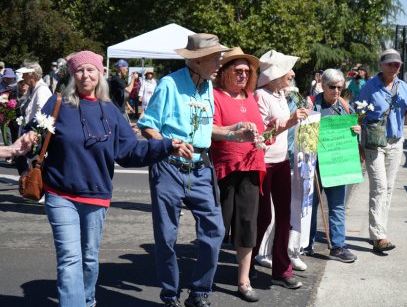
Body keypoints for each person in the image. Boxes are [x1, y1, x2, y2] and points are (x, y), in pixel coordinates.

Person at [24, 50, 192, 307]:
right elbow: (33, 135)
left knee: (89, 259)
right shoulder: (58, 105)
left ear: (100, 74)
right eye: (79, 70)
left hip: (96, 196)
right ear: (72, 75)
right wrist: (28, 140)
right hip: (60, 194)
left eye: (91, 69)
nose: (85, 75)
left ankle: (88, 300)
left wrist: (166, 146)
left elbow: (129, 152)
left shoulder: (111, 112)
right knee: (70, 259)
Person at [137, 33, 230, 307]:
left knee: (215, 231)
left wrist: (235, 133)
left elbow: (206, 127)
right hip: (168, 168)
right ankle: (170, 296)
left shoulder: (208, 87)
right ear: (198, 60)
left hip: (201, 169)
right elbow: (147, 125)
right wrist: (169, 144)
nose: (219, 64)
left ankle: (200, 292)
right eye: (216, 59)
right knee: (166, 237)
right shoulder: (168, 84)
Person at [210, 47, 265, 302]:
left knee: (247, 225)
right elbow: (212, 130)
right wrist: (234, 132)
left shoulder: (250, 97)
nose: (243, 75)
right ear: (225, 72)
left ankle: (244, 280)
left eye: (247, 71)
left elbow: (262, 134)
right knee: (217, 226)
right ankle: (206, 277)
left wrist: (273, 130)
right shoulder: (216, 96)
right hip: (225, 168)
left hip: (252, 167)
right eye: (237, 70)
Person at [252, 50, 308, 290]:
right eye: (288, 70)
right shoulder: (260, 96)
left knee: (284, 217)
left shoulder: (281, 95)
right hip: (263, 164)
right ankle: (248, 261)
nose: (292, 73)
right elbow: (260, 137)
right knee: (263, 218)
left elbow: (281, 127)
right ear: (274, 75)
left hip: (282, 162)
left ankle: (282, 270)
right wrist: (290, 122)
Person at [358, 49, 407, 253]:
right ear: (381, 64)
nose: (394, 67)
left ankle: (379, 230)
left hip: (395, 141)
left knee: (389, 188)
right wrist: (359, 144)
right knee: (380, 187)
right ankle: (379, 236)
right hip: (374, 143)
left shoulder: (404, 87)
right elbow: (359, 115)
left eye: (397, 64)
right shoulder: (369, 88)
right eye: (390, 63)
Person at [303, 68, 360, 262]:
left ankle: (338, 246)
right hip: (316, 164)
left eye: (339, 87)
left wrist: (357, 129)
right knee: (311, 205)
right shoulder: (311, 104)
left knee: (337, 206)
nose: (336, 91)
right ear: (323, 86)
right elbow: (301, 132)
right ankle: (306, 243)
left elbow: (353, 128)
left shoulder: (345, 106)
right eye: (332, 87)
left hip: (337, 164)